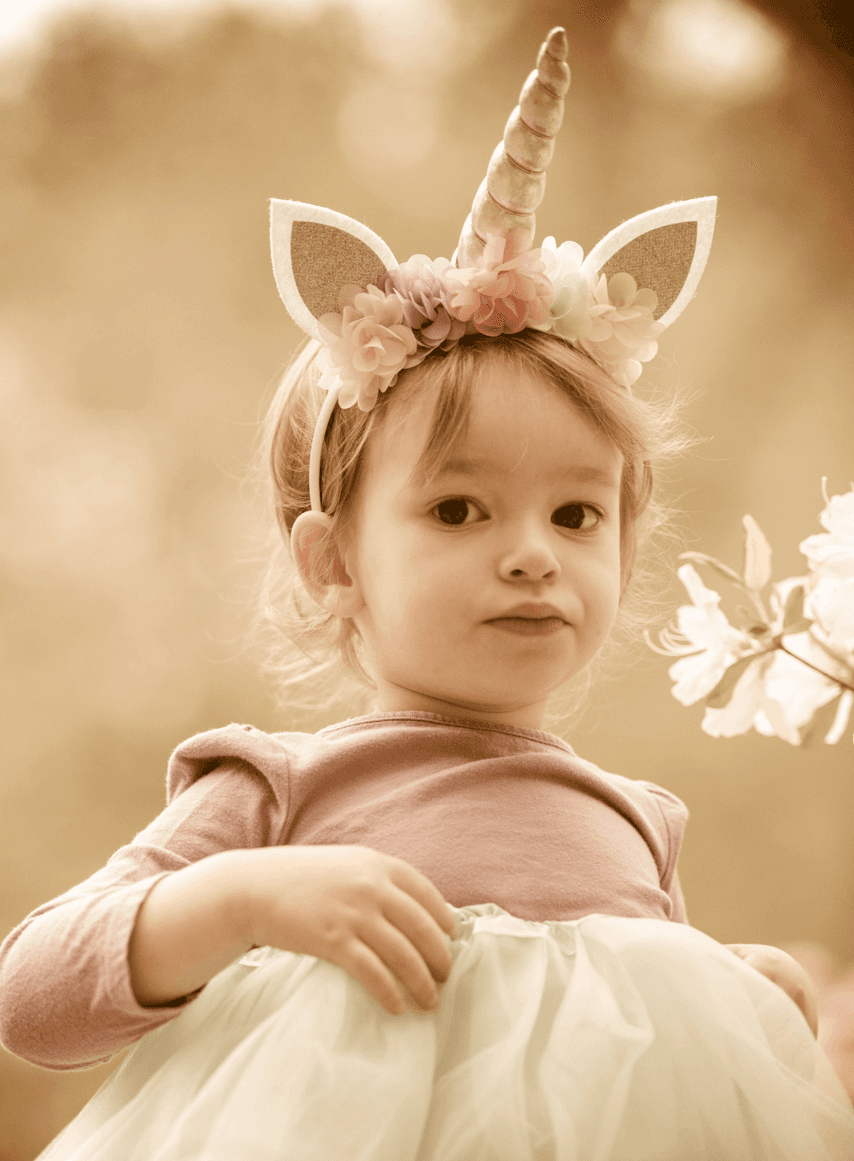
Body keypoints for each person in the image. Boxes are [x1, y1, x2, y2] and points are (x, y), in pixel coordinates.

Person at [2, 27, 853, 1161]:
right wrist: (249, 900)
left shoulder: (637, 826)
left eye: (575, 515)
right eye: (457, 511)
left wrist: (731, 1002)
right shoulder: (282, 790)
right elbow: (33, 996)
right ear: (332, 563)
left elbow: (629, 1067)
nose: (531, 555)